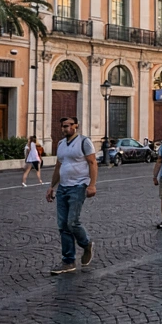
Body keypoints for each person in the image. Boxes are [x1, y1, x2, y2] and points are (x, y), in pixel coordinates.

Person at [47, 117, 97, 275]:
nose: (64, 129)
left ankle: (86, 243)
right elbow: (58, 165)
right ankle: (68, 261)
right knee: (62, 225)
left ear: (76, 126)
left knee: (72, 222)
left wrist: (92, 185)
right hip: (63, 187)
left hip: (79, 186)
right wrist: (51, 186)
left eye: (68, 126)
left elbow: (92, 163)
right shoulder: (61, 144)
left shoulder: (84, 142)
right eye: (63, 126)